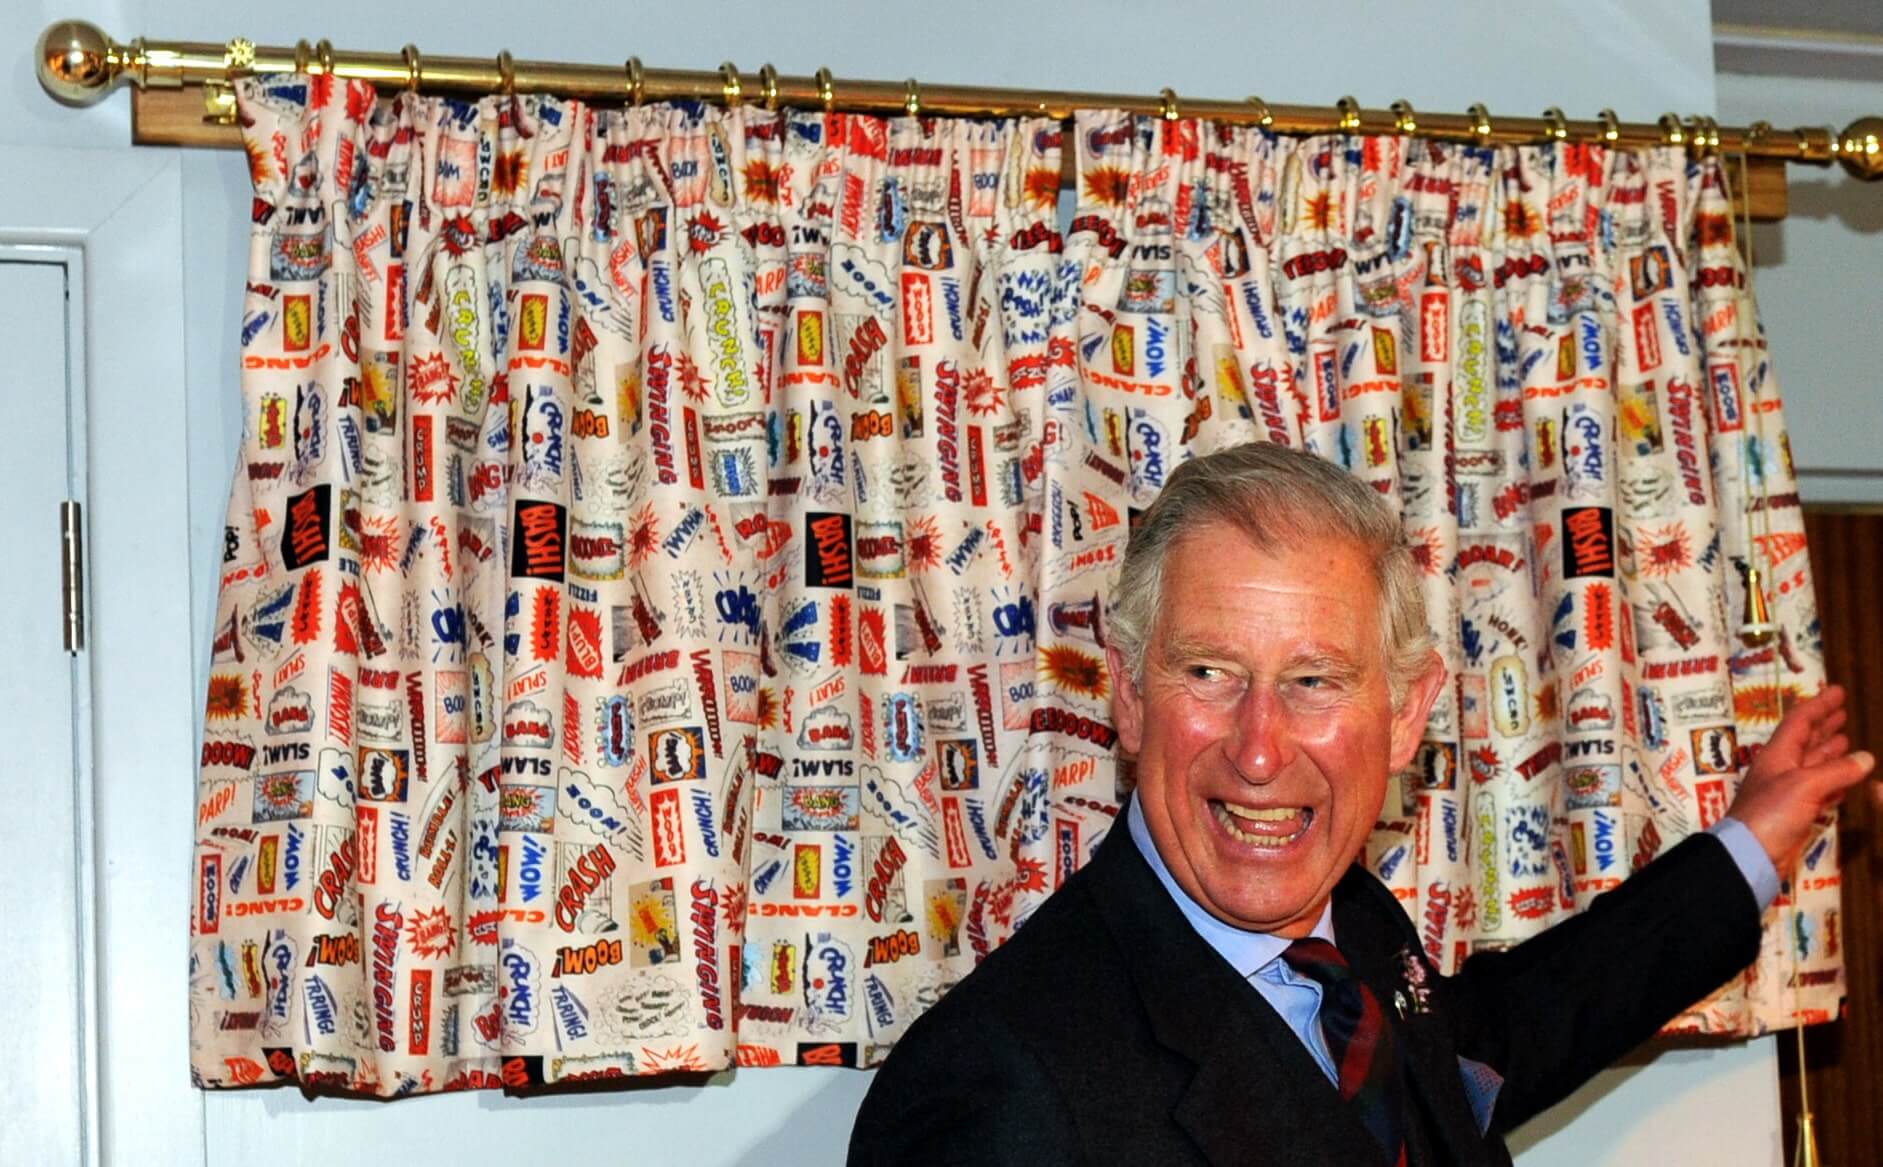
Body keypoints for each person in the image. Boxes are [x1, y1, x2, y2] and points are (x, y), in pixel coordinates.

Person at [848, 441, 1873, 1166]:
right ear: (1125, 693)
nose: (1258, 750)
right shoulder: (995, 1090)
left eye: (1314, 680)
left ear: (1404, 715)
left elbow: (1502, 1035)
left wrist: (1750, 842)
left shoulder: (1350, 936)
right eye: (1207, 672)